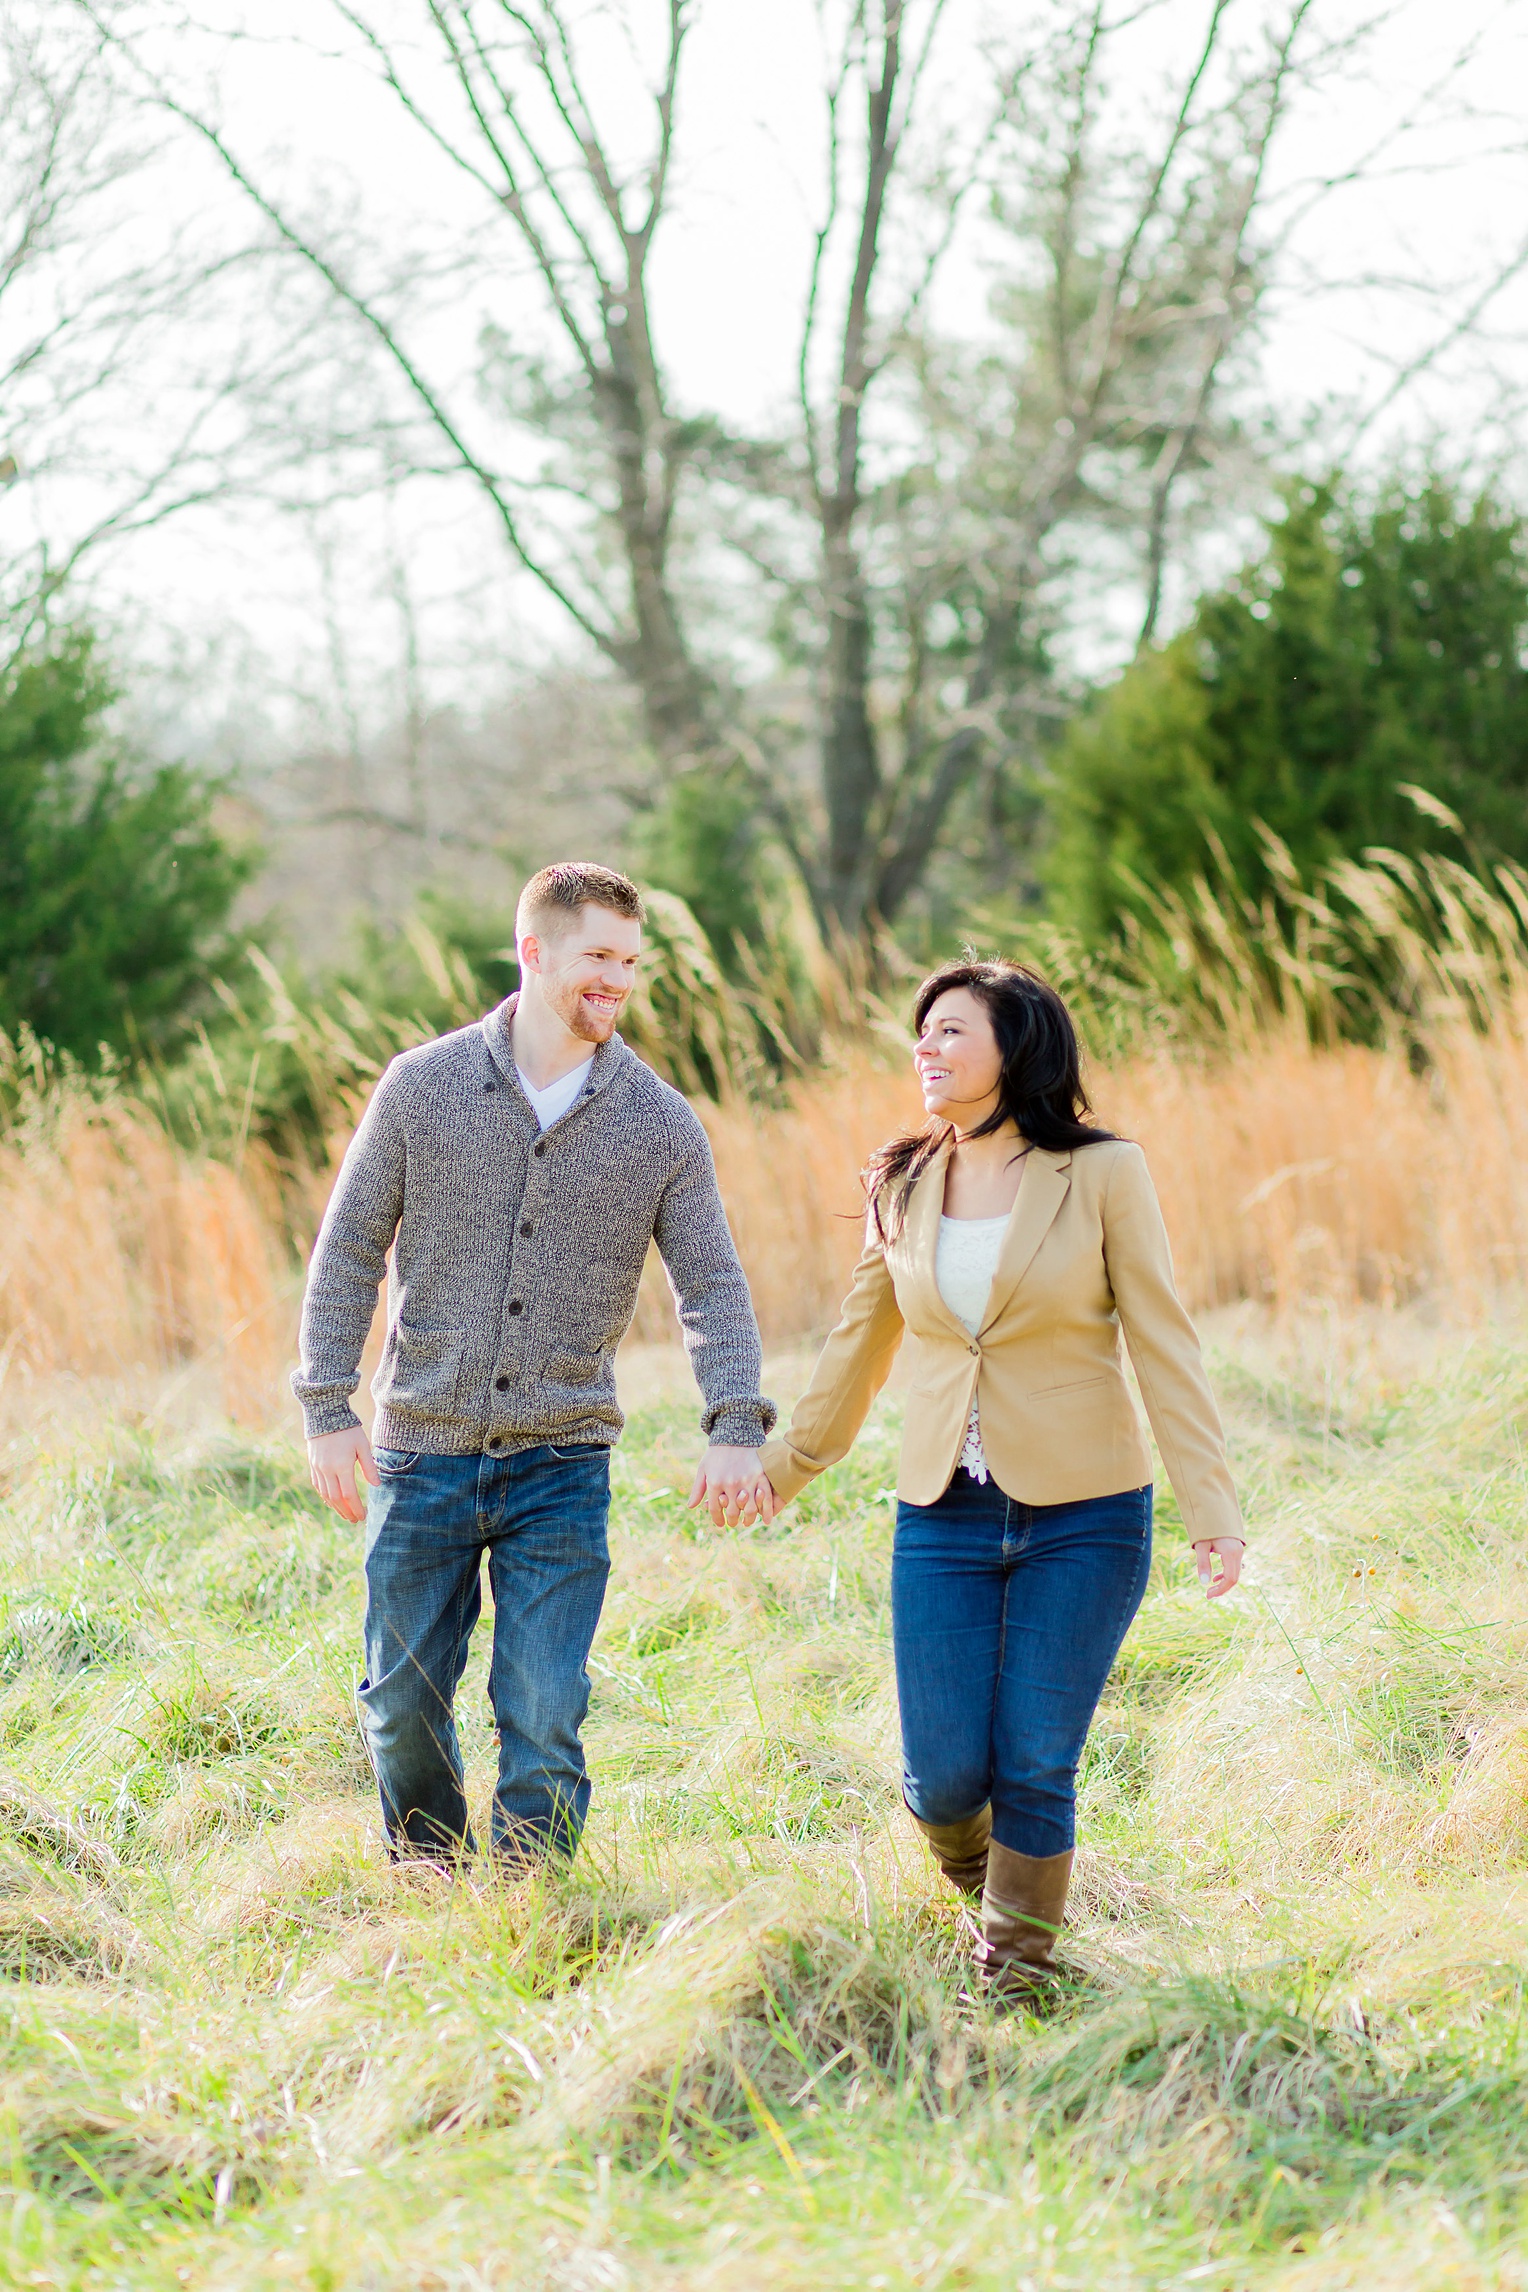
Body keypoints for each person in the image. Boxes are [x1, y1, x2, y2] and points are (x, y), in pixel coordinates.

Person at [758, 959, 1244, 1999]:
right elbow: (856, 1345)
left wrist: (1213, 1509)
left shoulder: (1104, 1172)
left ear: (1013, 1048)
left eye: (949, 1032)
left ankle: (1014, 1974)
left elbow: (1165, 1341)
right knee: (941, 1782)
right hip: (942, 1513)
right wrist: (782, 1470)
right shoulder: (901, 1181)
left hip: (1087, 1513)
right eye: (920, 1035)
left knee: (1033, 1764)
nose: (924, 1050)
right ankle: (994, 1892)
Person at [294, 861, 777, 1871]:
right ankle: (430, 1884)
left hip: (561, 1466)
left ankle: (530, 1909)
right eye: (598, 956)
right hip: (422, 1453)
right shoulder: (420, 1088)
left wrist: (737, 1424)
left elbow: (713, 1286)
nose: (618, 980)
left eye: (632, 963)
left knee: (544, 1719)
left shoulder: (659, 1124)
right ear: (534, 951)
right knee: (400, 1711)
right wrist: (325, 1404)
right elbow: (346, 1248)